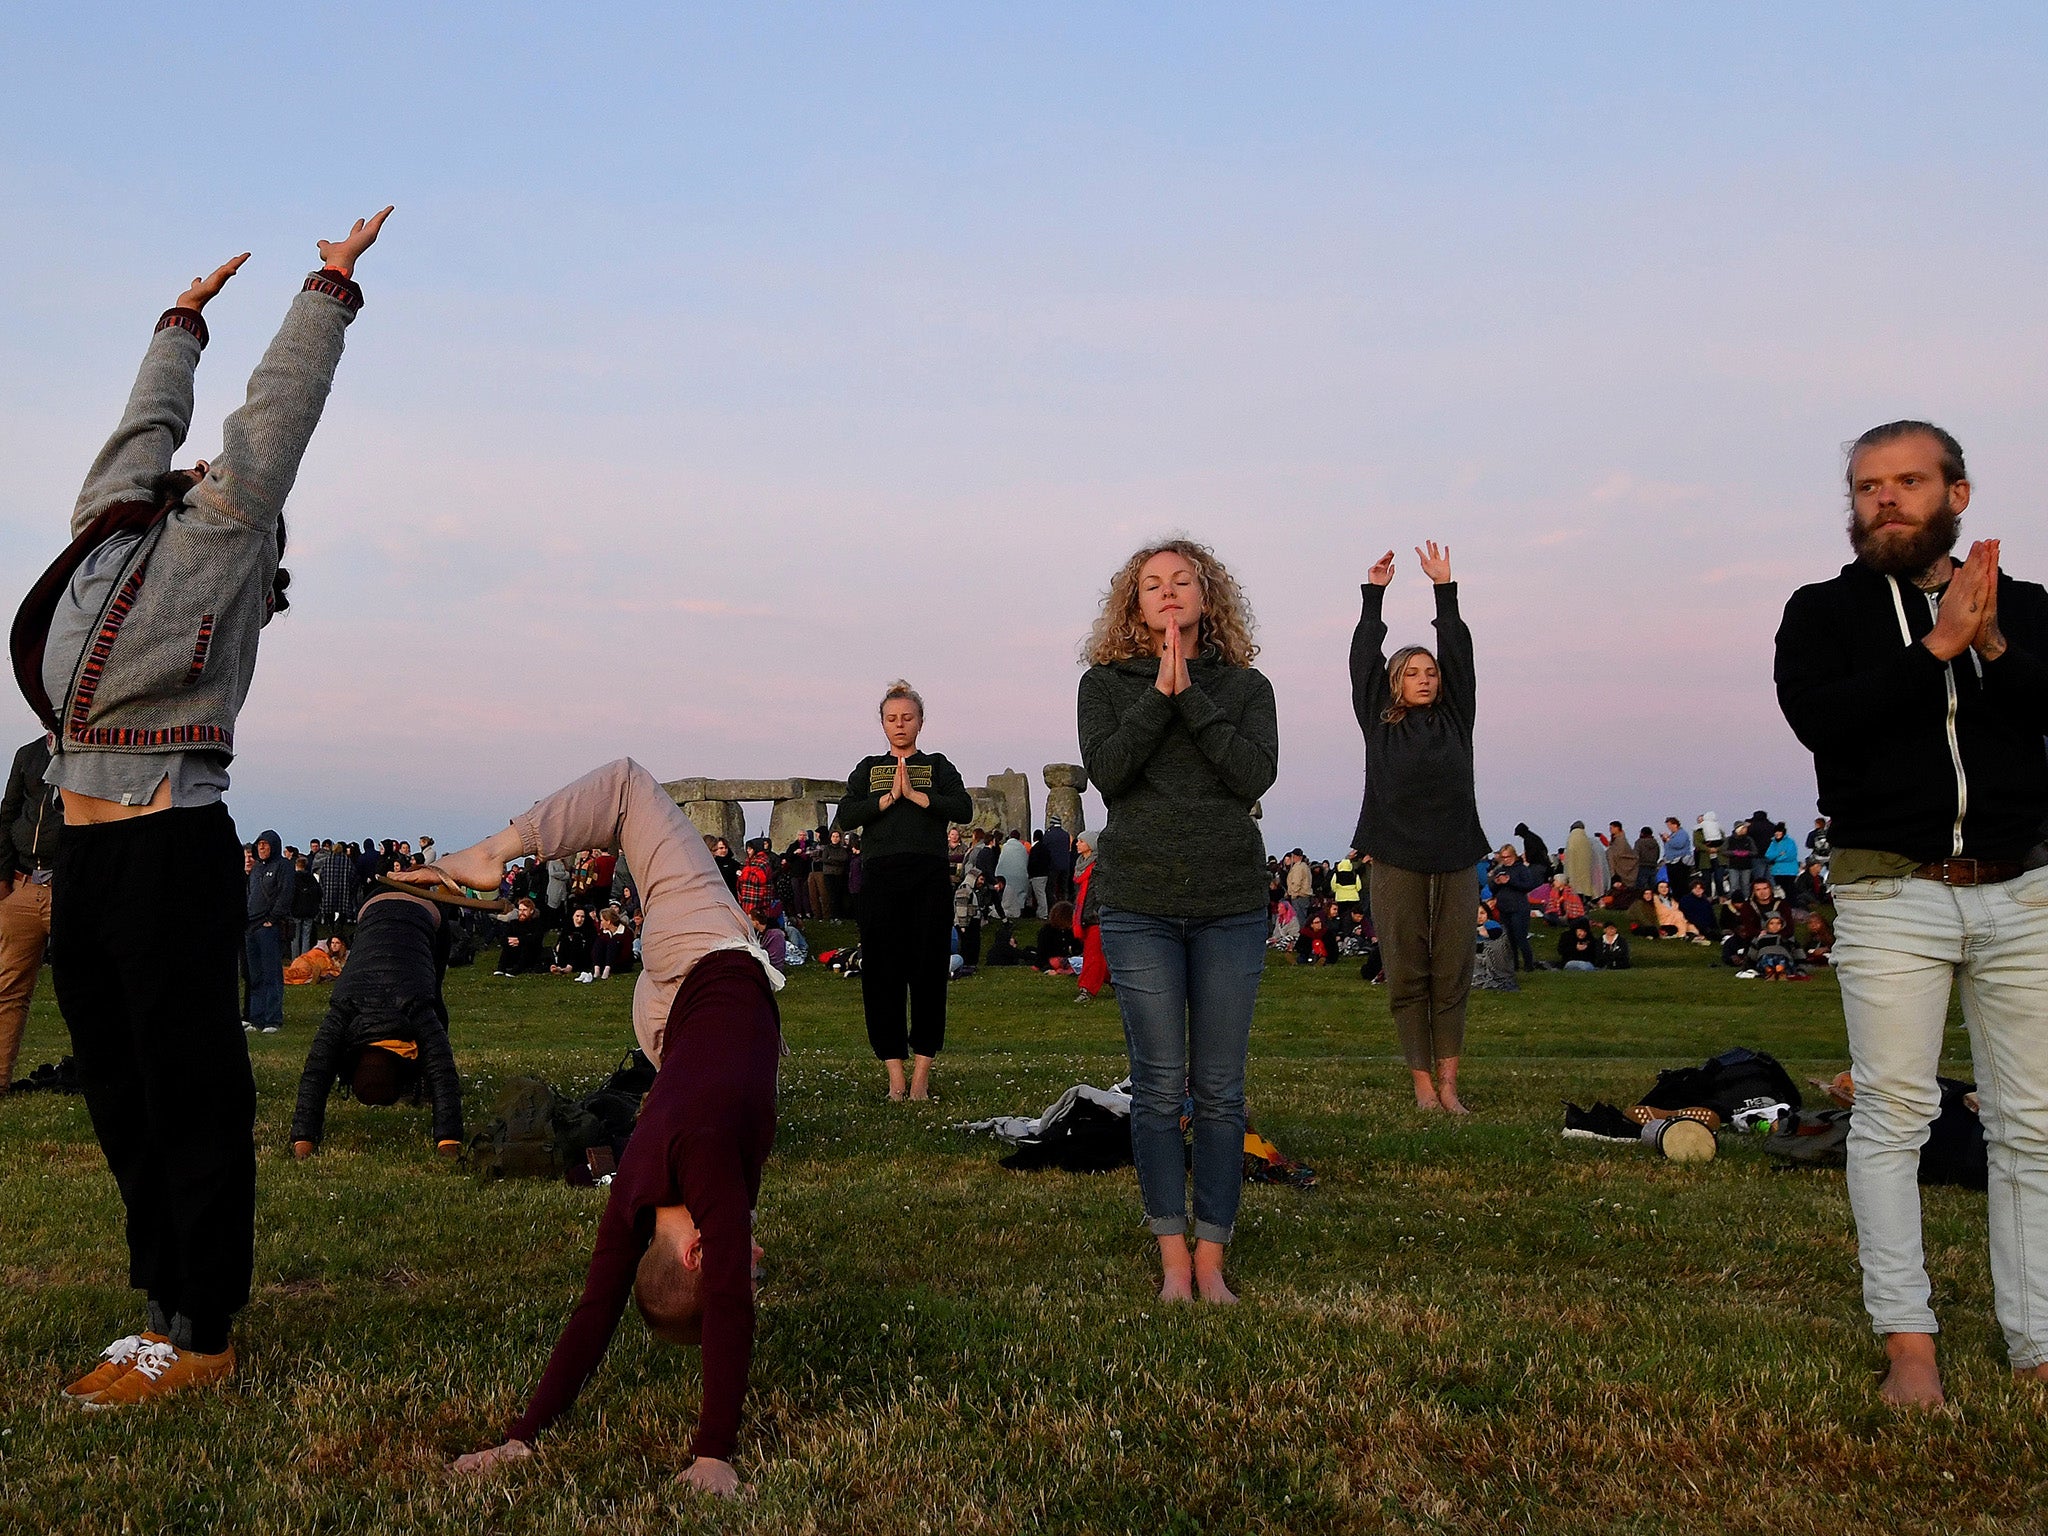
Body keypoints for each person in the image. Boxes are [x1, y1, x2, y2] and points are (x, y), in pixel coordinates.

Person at [14, 209, 390, 1409]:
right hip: (86, 857)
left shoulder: (222, 535)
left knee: (190, 1093)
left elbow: (273, 416)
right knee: (119, 1091)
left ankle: (207, 1330)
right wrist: (181, 319)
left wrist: (324, 291)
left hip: (174, 843)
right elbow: (145, 425)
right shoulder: (107, 529)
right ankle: (159, 1311)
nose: (194, 470)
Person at [1775, 417, 2048, 1405]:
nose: (1881, 500)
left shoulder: (2022, 607)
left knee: (2030, 1126)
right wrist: (1937, 645)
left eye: (1903, 483)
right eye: (1863, 488)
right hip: (1888, 887)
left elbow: (2040, 703)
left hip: (2022, 886)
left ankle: (2036, 1346)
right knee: (1892, 1117)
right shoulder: (1820, 614)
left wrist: (1993, 643)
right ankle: (1908, 1345)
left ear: (1956, 494)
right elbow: (1823, 720)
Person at [429, 758, 783, 1498]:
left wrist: (713, 1451)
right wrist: (517, 1438)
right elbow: (594, 1310)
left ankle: (490, 855)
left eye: (743, 1262)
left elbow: (722, 1307)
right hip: (665, 1029)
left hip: (704, 957)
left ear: (696, 1255)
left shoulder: (709, 1166)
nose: (753, 1253)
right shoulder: (632, 1197)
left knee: (626, 786)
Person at [1079, 537, 1276, 1305]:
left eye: (1181, 581)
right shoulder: (1103, 684)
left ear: (1206, 594)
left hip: (1228, 902)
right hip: (1140, 905)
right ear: (1133, 603)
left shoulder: (1247, 686)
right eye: (1151, 584)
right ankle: (1171, 1260)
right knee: (1161, 1089)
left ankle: (1212, 1262)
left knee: (1222, 1090)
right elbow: (1111, 772)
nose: (1167, 593)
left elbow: (1251, 775)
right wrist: (1157, 695)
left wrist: (1189, 691)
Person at [1351, 542, 1489, 1114]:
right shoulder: (1379, 726)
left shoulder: (1458, 718)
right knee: (1407, 974)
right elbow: (1362, 657)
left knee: (1452, 971)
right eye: (1412, 672)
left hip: (1457, 856)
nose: (1426, 678)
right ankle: (1422, 1087)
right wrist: (1374, 597)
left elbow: (1459, 654)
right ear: (1395, 683)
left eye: (1430, 671)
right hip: (1396, 857)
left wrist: (1445, 590)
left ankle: (1452, 1085)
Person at [832, 680, 973, 1101]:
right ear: (882, 723)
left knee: (929, 971)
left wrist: (916, 795)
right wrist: (889, 798)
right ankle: (895, 1076)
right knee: (882, 973)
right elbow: (845, 815)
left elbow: (963, 808)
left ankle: (921, 1078)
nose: (900, 724)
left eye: (907, 717)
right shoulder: (868, 767)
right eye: (892, 718)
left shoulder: (938, 765)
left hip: (928, 877)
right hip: (880, 879)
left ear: (921, 721)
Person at [289, 885, 463, 1159]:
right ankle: (425, 1089)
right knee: (434, 998)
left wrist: (303, 1139)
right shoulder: (348, 1003)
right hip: (374, 907)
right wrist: (447, 1140)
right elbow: (316, 1070)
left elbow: (318, 1071)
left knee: (433, 997)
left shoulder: (398, 1003)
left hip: (416, 910)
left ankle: (426, 1089)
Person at [0, 735, 62, 1092]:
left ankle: (99, 1078)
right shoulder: (28, 754)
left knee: (85, 987)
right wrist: (3, 881)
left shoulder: (85, 751)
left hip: (66, 887)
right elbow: (8, 814)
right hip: (23, 885)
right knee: (8, 988)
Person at [243, 831, 293, 1032]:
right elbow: (250, 894)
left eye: (265, 844)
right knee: (255, 975)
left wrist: (273, 919)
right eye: (259, 844)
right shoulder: (256, 870)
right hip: (251, 926)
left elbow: (286, 893)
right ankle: (256, 1018)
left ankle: (273, 1019)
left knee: (271, 973)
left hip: (268, 927)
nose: (262, 848)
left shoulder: (283, 866)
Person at [1485, 846, 1540, 971]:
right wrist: (1497, 883)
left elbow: (1528, 885)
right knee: (1509, 940)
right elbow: (1492, 889)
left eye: (1508, 857)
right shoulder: (1500, 870)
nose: (1506, 860)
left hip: (1519, 908)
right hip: (1504, 908)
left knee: (1520, 937)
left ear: (1514, 856)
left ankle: (1528, 965)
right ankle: (1513, 965)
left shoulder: (1521, 869)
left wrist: (1510, 881)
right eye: (1503, 857)